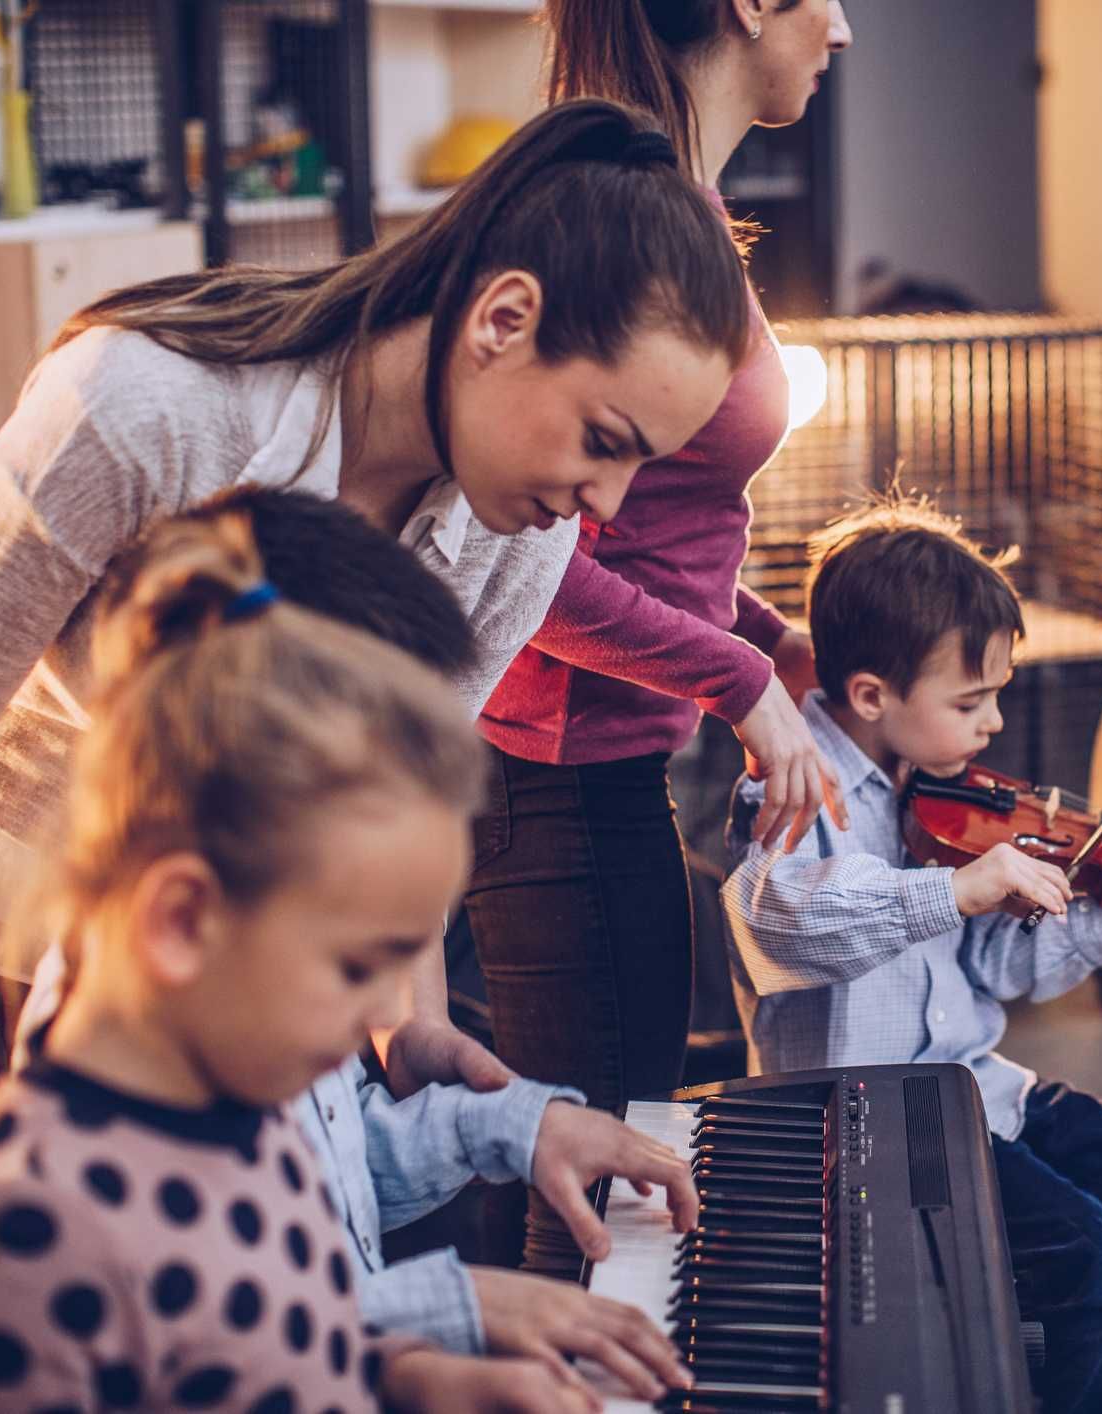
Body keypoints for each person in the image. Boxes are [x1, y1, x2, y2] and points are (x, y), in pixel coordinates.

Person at [0, 96, 753, 1395]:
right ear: (502, 320)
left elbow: (400, 805)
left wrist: (407, 1035)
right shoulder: (146, 406)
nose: (605, 503)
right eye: (603, 442)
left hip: (227, 939)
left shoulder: (524, 534)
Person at [0, 508, 611, 1412]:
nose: (375, 1020)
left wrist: (408, 1371)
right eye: (355, 967)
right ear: (183, 919)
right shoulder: (36, 1236)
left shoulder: (236, 1071)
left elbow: (287, 1290)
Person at [453, 0, 853, 1278]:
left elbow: (647, 538)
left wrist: (768, 639)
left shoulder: (675, 210)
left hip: (601, 768)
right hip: (552, 776)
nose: (843, 31)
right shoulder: (612, 216)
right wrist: (739, 678)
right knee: (594, 1194)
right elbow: (525, 555)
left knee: (580, 1169)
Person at [721, 499, 1102, 1414]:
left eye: (995, 694)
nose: (992, 723)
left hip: (968, 1088)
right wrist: (951, 891)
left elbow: (993, 967)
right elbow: (779, 924)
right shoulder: (793, 781)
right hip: (863, 1122)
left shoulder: (939, 794)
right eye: (968, 701)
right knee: (1083, 1256)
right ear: (870, 697)